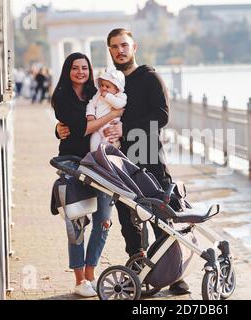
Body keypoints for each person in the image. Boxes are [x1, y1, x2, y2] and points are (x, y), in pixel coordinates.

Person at [57, 29, 190, 295]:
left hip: (148, 156)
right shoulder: (106, 83)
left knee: (160, 214)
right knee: (128, 218)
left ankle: (174, 275)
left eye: (124, 45)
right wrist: (59, 129)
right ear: (109, 50)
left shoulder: (149, 77)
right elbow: (86, 115)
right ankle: (138, 267)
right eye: (115, 46)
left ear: (134, 47)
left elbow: (162, 116)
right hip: (116, 161)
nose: (120, 50)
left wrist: (125, 128)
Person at [52, 52, 124, 298]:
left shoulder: (98, 92)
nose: (80, 72)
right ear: (67, 70)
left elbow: (122, 111)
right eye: (75, 68)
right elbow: (81, 129)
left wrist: (118, 125)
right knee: (77, 221)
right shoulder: (61, 95)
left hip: (102, 164)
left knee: (104, 220)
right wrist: (112, 116)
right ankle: (80, 278)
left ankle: (92, 272)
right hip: (74, 163)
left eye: (84, 67)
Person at [86, 68, 127, 152]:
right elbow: (91, 103)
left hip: (110, 129)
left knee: (105, 149)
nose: (104, 88)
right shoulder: (98, 94)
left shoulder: (121, 96)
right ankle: (94, 160)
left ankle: (105, 158)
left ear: (117, 89)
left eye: (107, 86)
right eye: (102, 85)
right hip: (97, 129)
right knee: (93, 146)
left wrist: (107, 96)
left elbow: (119, 105)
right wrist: (90, 114)